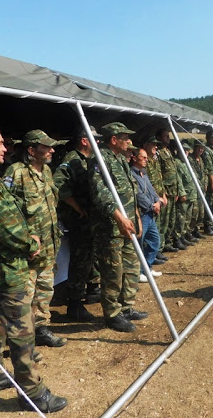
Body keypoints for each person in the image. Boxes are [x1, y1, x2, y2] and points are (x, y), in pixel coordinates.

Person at [0, 125, 67, 412]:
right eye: (0, 143)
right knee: (21, 332)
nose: (5, 148)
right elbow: (4, 226)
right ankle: (33, 393)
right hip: (4, 270)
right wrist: (29, 242)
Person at [4, 130, 66, 348]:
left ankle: (41, 328)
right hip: (28, 249)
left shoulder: (47, 171)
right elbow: (6, 211)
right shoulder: (16, 172)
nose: (52, 150)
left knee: (45, 289)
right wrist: (25, 238)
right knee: (25, 295)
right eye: (46, 147)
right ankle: (22, 338)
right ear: (31, 150)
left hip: (49, 245)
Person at [90, 122, 145, 333]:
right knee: (113, 270)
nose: (129, 141)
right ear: (114, 139)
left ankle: (126, 306)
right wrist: (120, 218)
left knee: (131, 266)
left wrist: (136, 216)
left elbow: (130, 190)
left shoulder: (121, 159)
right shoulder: (100, 159)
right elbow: (100, 193)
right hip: (111, 226)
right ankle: (112, 313)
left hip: (128, 223)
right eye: (125, 137)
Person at [53, 126, 101, 320]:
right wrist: (77, 207)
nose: (97, 142)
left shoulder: (85, 160)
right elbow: (57, 184)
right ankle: (74, 305)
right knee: (80, 262)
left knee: (87, 260)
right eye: (94, 139)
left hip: (87, 220)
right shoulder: (71, 160)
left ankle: (84, 295)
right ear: (84, 141)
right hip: (78, 221)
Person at [130, 148, 164, 283]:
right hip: (142, 214)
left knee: (154, 242)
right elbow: (139, 195)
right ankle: (138, 272)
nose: (146, 160)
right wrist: (152, 205)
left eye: (146, 157)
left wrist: (157, 201)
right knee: (138, 244)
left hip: (149, 214)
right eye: (143, 157)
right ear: (135, 158)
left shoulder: (143, 173)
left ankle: (147, 267)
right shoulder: (132, 174)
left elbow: (151, 189)